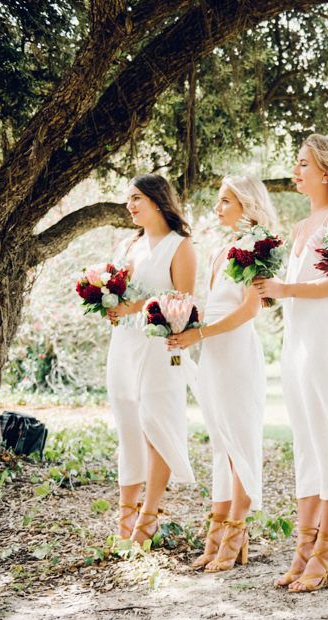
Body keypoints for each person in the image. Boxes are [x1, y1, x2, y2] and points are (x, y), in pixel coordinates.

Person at [254, 133, 328, 592]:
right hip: (295, 344)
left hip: (324, 344)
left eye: (304, 164)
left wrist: (286, 291)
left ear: (327, 172)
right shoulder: (302, 226)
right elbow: (295, 286)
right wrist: (271, 292)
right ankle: (303, 550)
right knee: (305, 444)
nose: (296, 171)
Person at [168, 175, 273, 572]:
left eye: (226, 201)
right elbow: (211, 305)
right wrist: (180, 325)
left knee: (240, 443)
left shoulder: (255, 248)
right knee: (220, 446)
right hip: (212, 351)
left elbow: (249, 309)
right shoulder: (218, 251)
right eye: (218, 200)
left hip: (237, 353)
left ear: (247, 204)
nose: (219, 207)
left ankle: (235, 534)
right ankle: (216, 536)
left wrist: (200, 333)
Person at [106, 173, 197, 544]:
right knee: (127, 422)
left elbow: (184, 302)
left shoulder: (180, 246)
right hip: (124, 344)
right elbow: (116, 288)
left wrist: (137, 306)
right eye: (128, 199)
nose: (130, 205)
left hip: (159, 345)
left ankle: (149, 514)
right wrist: (108, 304)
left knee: (154, 423)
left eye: (136, 198)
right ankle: (126, 511)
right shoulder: (128, 245)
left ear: (157, 201)